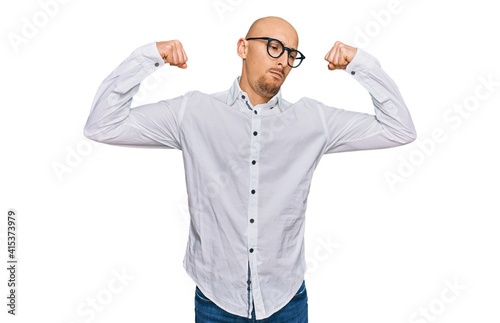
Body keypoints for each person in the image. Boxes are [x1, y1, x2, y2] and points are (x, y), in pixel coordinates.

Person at [84, 16, 416, 322]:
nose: (284, 60)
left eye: (292, 54)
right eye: (274, 47)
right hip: (216, 300)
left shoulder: (313, 120)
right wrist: (147, 58)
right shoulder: (194, 111)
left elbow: (399, 130)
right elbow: (102, 126)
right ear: (243, 47)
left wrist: (362, 65)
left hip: (285, 300)